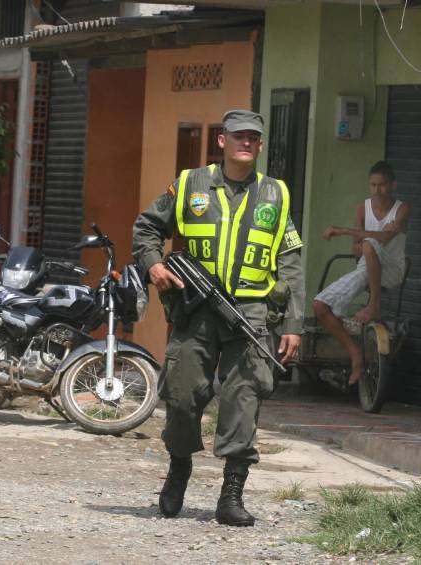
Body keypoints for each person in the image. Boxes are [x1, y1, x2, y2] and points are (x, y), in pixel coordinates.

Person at [132, 110, 305, 527]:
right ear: (222, 142)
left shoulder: (276, 194)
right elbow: (146, 228)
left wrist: (295, 325)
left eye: (254, 138)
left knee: (243, 399)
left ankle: (231, 495)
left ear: (261, 146)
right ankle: (178, 471)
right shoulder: (191, 183)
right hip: (196, 311)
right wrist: (154, 266)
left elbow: (291, 264)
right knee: (182, 395)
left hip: (251, 314)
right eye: (239, 136)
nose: (247, 143)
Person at [312, 161, 409, 385]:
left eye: (382, 185)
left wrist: (343, 231)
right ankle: (355, 354)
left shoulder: (402, 209)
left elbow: (382, 240)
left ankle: (374, 305)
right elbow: (356, 247)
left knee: (369, 243)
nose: (377, 190)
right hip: (366, 267)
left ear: (392, 185)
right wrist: (365, 238)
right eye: (373, 185)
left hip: (392, 270)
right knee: (319, 306)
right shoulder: (362, 208)